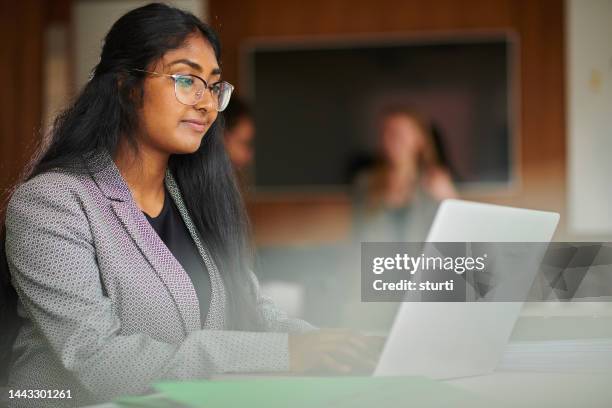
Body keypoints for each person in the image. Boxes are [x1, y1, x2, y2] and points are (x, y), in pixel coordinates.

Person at [0, 4, 380, 406]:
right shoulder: (51, 203)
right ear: (127, 87)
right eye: (186, 80)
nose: (207, 103)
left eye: (213, 86)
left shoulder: (195, 199)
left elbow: (252, 311)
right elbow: (102, 359)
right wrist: (287, 354)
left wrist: (335, 344)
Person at [352, 106, 458, 242]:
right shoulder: (365, 183)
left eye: (401, 133)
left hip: (424, 261)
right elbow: (358, 238)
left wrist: (449, 199)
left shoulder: (436, 182)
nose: (395, 140)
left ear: (420, 139)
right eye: (388, 132)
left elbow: (456, 236)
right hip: (380, 261)